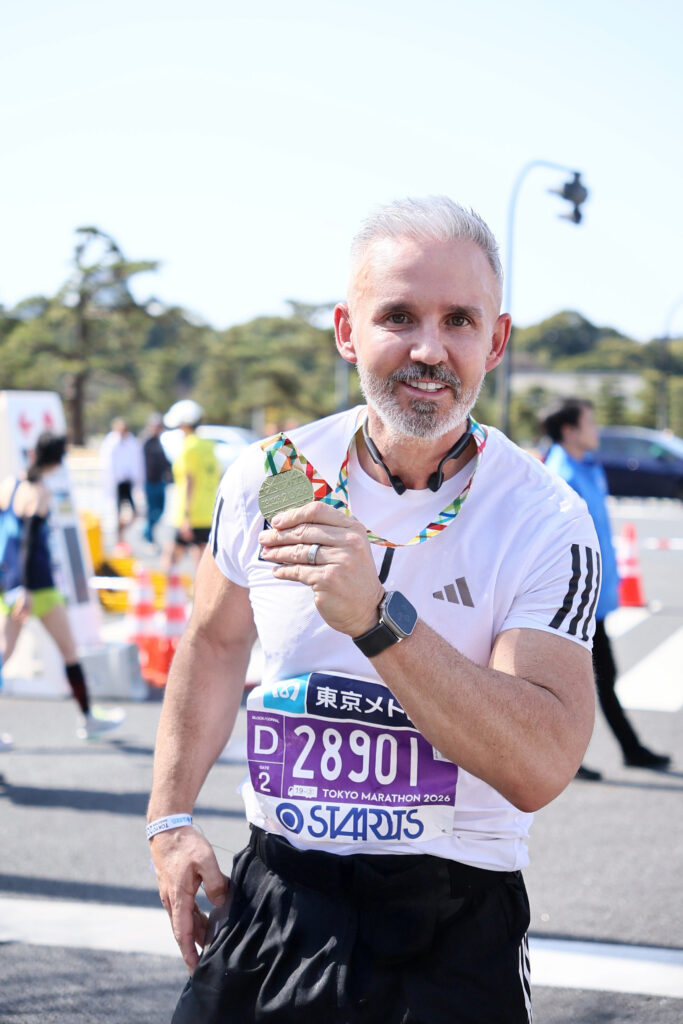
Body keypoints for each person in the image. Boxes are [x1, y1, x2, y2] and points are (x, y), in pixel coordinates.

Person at [148, 197, 601, 1024]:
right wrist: (170, 820)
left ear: (494, 342)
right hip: (276, 896)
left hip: (449, 920)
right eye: (398, 316)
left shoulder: (545, 520)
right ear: (346, 332)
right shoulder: (275, 475)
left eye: (458, 320)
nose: (429, 349)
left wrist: (377, 618)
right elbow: (214, 645)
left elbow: (540, 764)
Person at [542, 398, 671, 777]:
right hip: (572, 599)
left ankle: (628, 750)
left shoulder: (587, 468)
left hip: (592, 598)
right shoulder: (559, 475)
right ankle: (574, 757)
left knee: (600, 678)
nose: (596, 429)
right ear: (570, 431)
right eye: (589, 422)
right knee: (582, 681)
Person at [0, 433, 125, 740]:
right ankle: (88, 717)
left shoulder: (9, 484)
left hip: (9, 579)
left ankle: (88, 717)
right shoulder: (39, 491)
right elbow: (29, 542)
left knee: (4, 652)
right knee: (68, 651)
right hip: (37, 585)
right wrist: (28, 589)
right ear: (57, 461)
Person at [161, 400, 221, 572]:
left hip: (188, 513)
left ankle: (169, 595)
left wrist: (186, 516)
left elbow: (189, 481)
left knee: (171, 556)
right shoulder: (209, 447)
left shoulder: (188, 447)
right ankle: (197, 598)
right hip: (207, 512)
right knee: (202, 563)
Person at [99, 418, 144, 551]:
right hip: (117, 482)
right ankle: (119, 538)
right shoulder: (111, 442)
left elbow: (136, 462)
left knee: (135, 512)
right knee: (117, 512)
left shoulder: (131, 442)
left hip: (127, 482)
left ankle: (121, 531)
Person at [141, 412, 172, 548]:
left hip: (160, 481)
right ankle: (148, 535)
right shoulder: (145, 442)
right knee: (152, 510)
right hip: (150, 482)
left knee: (160, 510)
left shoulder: (160, 442)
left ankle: (148, 533)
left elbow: (164, 461)